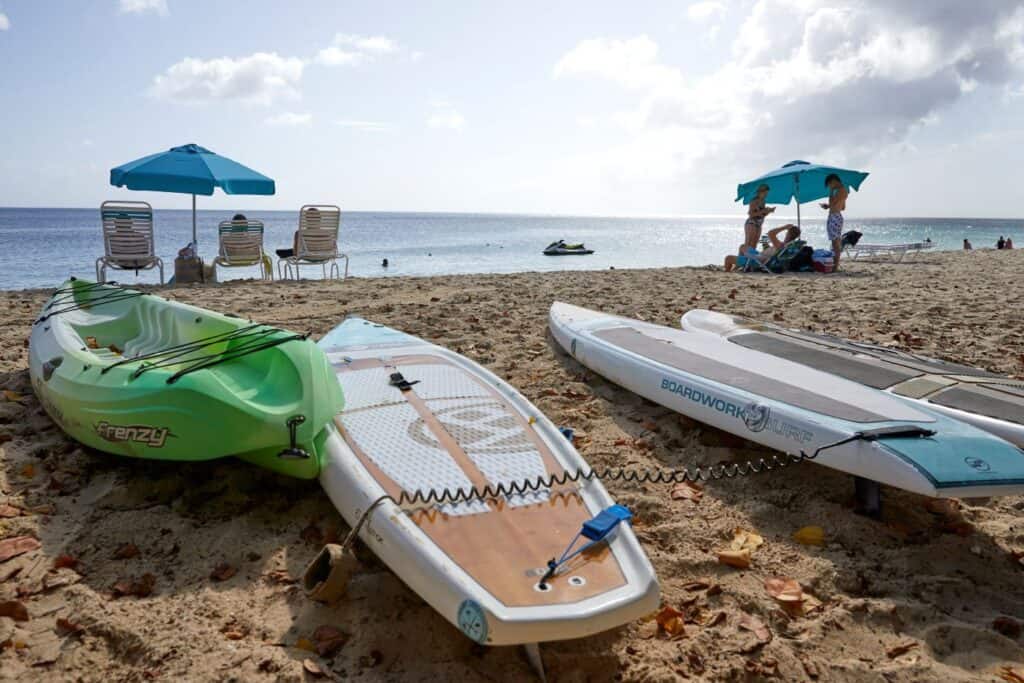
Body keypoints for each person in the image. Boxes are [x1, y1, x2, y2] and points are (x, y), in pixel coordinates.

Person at [724, 224, 800, 272]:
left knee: (728, 258)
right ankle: (738, 266)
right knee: (742, 247)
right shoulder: (789, 245)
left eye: (787, 232)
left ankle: (728, 273)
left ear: (788, 234)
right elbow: (774, 254)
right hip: (761, 257)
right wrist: (766, 247)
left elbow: (771, 233)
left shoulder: (781, 246)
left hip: (758, 260)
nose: (786, 232)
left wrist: (784, 227)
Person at [819, 173, 849, 271]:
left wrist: (831, 192)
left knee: (835, 242)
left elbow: (833, 203)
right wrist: (829, 206)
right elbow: (843, 207)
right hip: (836, 216)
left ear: (833, 181)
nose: (829, 187)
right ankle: (835, 265)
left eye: (829, 185)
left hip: (834, 217)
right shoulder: (843, 190)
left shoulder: (840, 190)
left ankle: (835, 266)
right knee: (836, 242)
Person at [744, 184, 775, 249]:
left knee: (754, 244)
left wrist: (768, 211)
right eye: (765, 193)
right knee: (749, 244)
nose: (766, 195)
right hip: (752, 223)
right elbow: (750, 214)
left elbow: (761, 215)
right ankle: (745, 258)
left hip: (759, 224)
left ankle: (750, 259)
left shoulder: (763, 201)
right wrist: (764, 211)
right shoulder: (754, 201)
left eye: (767, 193)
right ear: (760, 192)